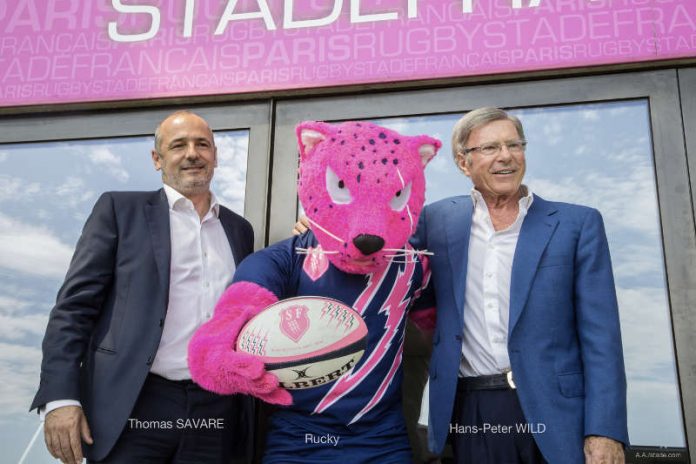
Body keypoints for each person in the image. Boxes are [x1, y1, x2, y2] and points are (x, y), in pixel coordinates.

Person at [31, 110, 255, 464]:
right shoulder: (120, 210)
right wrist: (61, 397)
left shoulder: (239, 229)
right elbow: (73, 309)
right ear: (157, 159)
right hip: (136, 402)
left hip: (216, 408)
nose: (192, 153)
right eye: (178, 145)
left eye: (202, 144)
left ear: (216, 154)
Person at [413, 107, 628, 464]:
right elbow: (380, 251)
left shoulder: (577, 224)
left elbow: (602, 337)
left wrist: (605, 429)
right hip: (473, 410)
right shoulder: (435, 220)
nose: (505, 156)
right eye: (490, 148)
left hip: (560, 413)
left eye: (514, 145)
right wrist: (312, 228)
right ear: (463, 163)